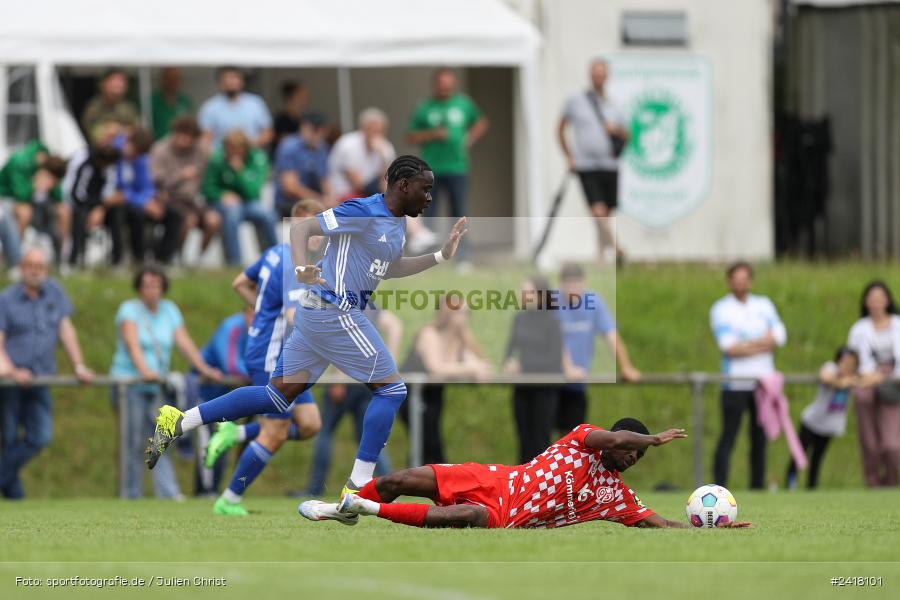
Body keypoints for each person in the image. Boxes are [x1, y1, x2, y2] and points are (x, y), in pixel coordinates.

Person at [146, 155, 468, 511]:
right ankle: (357, 487)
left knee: (275, 397)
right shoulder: (363, 211)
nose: (429, 198)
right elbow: (302, 230)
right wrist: (301, 267)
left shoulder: (396, 225)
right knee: (392, 390)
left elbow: (389, 268)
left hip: (318, 315)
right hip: (335, 310)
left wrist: (440, 256)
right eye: (425, 190)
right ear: (403, 185)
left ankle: (180, 420)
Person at [301, 419, 749, 529]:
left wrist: (709, 531)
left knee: (464, 519)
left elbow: (661, 523)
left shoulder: (616, 499)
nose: (632, 458)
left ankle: (367, 508)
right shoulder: (584, 438)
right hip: (496, 479)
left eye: (638, 457)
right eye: (630, 449)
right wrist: (649, 439)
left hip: (503, 515)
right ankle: (348, 507)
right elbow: (611, 441)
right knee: (401, 479)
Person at [206, 200, 324, 516]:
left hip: (278, 353)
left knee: (310, 424)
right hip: (273, 357)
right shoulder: (294, 264)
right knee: (276, 432)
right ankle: (229, 500)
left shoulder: (275, 252)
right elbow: (295, 317)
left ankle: (238, 432)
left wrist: (262, 311)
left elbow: (240, 283)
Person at [110, 266, 222, 499]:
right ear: (139, 288)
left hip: (156, 386)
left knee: (161, 439)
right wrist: (145, 371)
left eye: (155, 285)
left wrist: (204, 369)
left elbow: (184, 343)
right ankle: (130, 494)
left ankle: (168, 493)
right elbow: (132, 345)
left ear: (162, 287)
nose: (151, 290)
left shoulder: (169, 311)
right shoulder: (129, 310)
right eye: (146, 286)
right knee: (131, 442)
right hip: (130, 386)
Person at [0, 247, 94, 499]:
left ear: (46, 269)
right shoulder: (5, 299)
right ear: (21, 267)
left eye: (40, 266)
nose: (35, 270)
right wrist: (11, 371)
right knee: (8, 439)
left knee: (40, 436)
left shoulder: (54, 292)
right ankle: (15, 497)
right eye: (30, 265)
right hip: (9, 383)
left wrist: (79, 365)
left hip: (41, 379)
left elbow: (66, 331)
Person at [710, 261, 787, 489]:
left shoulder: (763, 304)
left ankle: (757, 486)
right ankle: (719, 486)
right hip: (735, 383)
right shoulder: (721, 308)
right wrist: (764, 343)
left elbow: (780, 337)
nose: (740, 283)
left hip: (763, 382)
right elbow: (729, 347)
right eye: (736, 279)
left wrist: (747, 345)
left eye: (744, 278)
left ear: (750, 281)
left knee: (759, 439)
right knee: (729, 437)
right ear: (729, 281)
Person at [407, 68, 488, 262]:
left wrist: (469, 139)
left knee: (458, 212)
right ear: (435, 84)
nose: (445, 88)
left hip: (457, 167)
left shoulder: (463, 104)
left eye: (448, 85)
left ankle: (462, 257)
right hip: (430, 169)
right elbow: (411, 136)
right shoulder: (425, 107)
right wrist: (433, 134)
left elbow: (481, 122)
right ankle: (429, 257)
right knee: (429, 213)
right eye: (442, 84)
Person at [399, 296, 491, 464]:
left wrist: (477, 368)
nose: (466, 317)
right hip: (412, 395)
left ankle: (421, 483)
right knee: (427, 443)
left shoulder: (459, 338)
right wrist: (471, 368)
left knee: (429, 443)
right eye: (463, 312)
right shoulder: (429, 334)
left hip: (434, 395)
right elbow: (436, 367)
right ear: (449, 313)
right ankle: (424, 483)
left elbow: (477, 363)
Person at [558, 58, 629, 264]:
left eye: (602, 73)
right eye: (595, 73)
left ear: (607, 76)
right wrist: (568, 156)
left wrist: (614, 130)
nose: (598, 77)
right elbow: (560, 128)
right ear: (590, 75)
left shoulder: (615, 105)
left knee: (605, 213)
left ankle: (600, 257)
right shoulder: (576, 101)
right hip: (586, 165)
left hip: (610, 165)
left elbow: (628, 135)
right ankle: (617, 248)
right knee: (597, 211)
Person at [555, 263, 640, 433]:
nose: (573, 289)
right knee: (541, 446)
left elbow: (611, 335)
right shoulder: (552, 303)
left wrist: (626, 366)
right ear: (561, 285)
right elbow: (551, 339)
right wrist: (567, 367)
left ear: (584, 283)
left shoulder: (593, 302)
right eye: (568, 284)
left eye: (577, 284)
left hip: (577, 384)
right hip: (550, 383)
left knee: (571, 441)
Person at [504, 276, 576, 464]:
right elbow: (510, 349)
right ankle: (521, 486)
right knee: (523, 439)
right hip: (522, 387)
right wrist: (508, 362)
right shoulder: (519, 318)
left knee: (540, 439)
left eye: (527, 292)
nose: (522, 295)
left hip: (545, 387)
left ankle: (542, 484)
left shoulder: (552, 321)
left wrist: (523, 365)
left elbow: (553, 357)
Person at [786, 346, 866, 490]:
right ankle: (791, 483)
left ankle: (812, 488)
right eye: (845, 362)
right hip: (811, 422)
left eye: (852, 364)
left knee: (817, 458)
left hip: (829, 427)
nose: (848, 366)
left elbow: (869, 378)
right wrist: (842, 382)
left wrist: (852, 380)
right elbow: (825, 377)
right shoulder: (831, 368)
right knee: (799, 455)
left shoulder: (854, 376)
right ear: (838, 361)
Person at [194, 307, 253, 496]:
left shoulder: (261, 330)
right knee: (208, 443)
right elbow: (231, 365)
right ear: (248, 311)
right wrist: (260, 375)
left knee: (223, 444)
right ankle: (204, 491)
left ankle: (217, 490)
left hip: (229, 399)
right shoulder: (232, 327)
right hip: (206, 394)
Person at [847, 281, 900, 487]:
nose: (876, 302)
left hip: (894, 385)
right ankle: (873, 484)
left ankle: (892, 483)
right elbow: (850, 360)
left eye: (880, 298)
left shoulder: (897, 324)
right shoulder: (859, 328)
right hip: (865, 382)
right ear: (866, 302)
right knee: (869, 441)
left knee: (892, 444)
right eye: (872, 298)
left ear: (887, 300)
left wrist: (883, 376)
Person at [202, 129, 276, 265]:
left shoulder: (257, 159)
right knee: (233, 212)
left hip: (249, 202)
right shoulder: (217, 159)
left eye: (238, 149)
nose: (234, 153)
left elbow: (253, 192)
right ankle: (234, 262)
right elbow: (207, 189)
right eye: (230, 149)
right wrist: (221, 195)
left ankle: (274, 259)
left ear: (245, 148)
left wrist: (240, 172)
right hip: (223, 203)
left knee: (267, 214)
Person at [150, 116, 219, 259]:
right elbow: (155, 180)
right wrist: (180, 176)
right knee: (189, 220)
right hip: (171, 199)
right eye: (181, 135)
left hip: (195, 200)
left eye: (190, 137)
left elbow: (213, 168)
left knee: (213, 220)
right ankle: (177, 256)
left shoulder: (201, 150)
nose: (185, 140)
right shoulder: (160, 149)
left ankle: (199, 259)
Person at [116, 129, 183, 264]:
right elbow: (117, 189)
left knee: (174, 215)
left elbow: (147, 186)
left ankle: (163, 259)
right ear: (128, 141)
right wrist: (143, 203)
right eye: (133, 150)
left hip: (138, 200)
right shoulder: (114, 155)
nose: (135, 155)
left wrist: (151, 201)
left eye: (138, 154)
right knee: (137, 214)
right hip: (120, 203)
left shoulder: (141, 158)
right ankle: (139, 258)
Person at [0, 140, 70, 264]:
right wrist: (35, 185)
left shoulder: (50, 163)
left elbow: (58, 197)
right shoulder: (19, 161)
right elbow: (20, 195)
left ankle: (62, 257)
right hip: (8, 197)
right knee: (25, 212)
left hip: (36, 201)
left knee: (64, 211)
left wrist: (51, 187)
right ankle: (14, 259)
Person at [62, 144, 123, 267]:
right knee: (81, 215)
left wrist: (101, 207)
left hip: (97, 205)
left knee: (117, 212)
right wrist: (98, 205)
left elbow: (109, 192)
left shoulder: (109, 167)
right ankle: (75, 258)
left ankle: (116, 260)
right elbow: (76, 195)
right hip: (78, 204)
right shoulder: (85, 165)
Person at [329, 108, 396, 202]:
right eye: (371, 129)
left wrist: (382, 157)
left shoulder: (386, 148)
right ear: (363, 128)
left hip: (370, 195)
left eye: (379, 130)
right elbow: (358, 184)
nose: (376, 134)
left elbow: (387, 184)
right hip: (344, 194)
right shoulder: (347, 144)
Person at [273, 111, 331, 218]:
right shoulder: (289, 147)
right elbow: (290, 187)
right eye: (314, 129)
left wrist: (330, 199)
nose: (317, 134)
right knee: (313, 215)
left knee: (341, 212)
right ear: (304, 127)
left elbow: (325, 180)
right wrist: (319, 200)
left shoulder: (322, 148)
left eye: (320, 130)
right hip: (289, 202)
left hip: (315, 200)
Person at [198, 67, 273, 148]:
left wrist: (249, 144)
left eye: (235, 77)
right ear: (220, 82)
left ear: (242, 81)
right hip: (222, 156)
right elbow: (205, 138)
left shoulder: (256, 103)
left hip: (251, 154)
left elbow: (267, 133)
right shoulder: (209, 107)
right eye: (226, 78)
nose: (230, 82)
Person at [81, 69, 141, 143]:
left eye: (120, 82)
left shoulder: (128, 108)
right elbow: (91, 131)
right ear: (104, 84)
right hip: (101, 148)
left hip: (125, 146)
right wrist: (108, 131)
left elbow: (137, 130)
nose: (117, 86)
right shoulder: (94, 107)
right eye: (114, 82)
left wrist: (118, 130)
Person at [151, 67, 193, 141]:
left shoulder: (184, 101)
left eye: (176, 78)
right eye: (170, 78)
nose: (173, 82)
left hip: (181, 144)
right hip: (158, 144)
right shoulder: (152, 101)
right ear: (163, 80)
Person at [272, 81, 309, 153]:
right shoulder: (280, 120)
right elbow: (283, 142)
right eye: (300, 96)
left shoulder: (305, 120)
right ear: (289, 98)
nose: (304, 100)